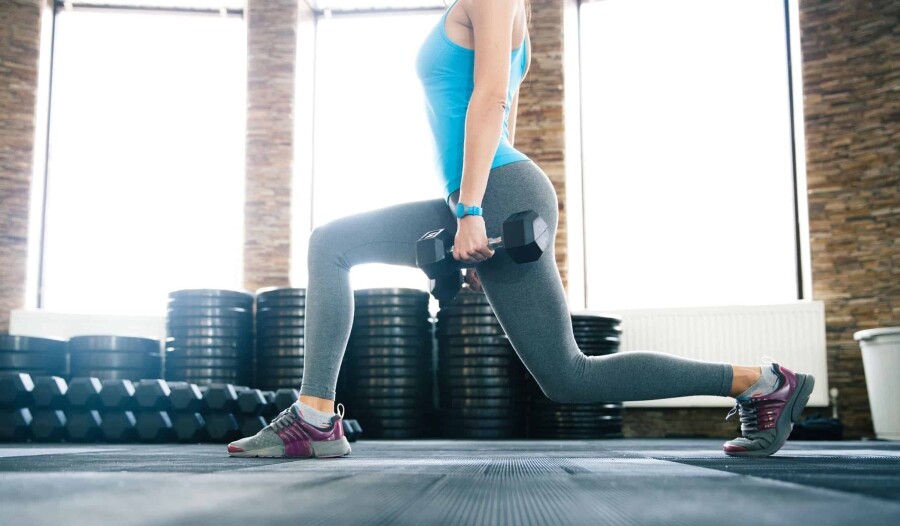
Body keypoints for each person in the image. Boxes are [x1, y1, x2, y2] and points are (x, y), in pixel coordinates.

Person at [227, 0, 814, 460]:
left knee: (568, 376)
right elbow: (492, 112)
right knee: (332, 244)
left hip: (500, 193)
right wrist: (466, 211)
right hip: (481, 194)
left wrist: (472, 211)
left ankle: (762, 382)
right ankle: (315, 416)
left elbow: (490, 101)